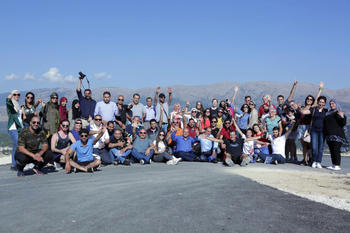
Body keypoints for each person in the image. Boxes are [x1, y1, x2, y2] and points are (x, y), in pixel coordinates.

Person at [297, 82, 324, 166]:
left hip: (308, 127)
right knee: (304, 145)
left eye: (311, 99)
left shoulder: (313, 108)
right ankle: (304, 160)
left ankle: (312, 159)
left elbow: (317, 98)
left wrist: (320, 89)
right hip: (301, 127)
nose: (309, 100)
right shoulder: (303, 108)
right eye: (308, 99)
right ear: (306, 100)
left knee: (311, 145)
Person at [301, 96, 328, 168]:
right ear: (317, 102)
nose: (321, 103)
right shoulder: (313, 109)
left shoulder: (326, 111)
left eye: (323, 102)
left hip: (322, 131)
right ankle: (314, 161)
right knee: (314, 147)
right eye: (320, 102)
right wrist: (298, 108)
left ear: (325, 103)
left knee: (321, 147)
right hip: (314, 131)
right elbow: (304, 112)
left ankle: (318, 162)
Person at [324, 99, 349, 171]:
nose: (332, 105)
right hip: (329, 135)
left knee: (336, 150)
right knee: (331, 150)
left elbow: (343, 123)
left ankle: (337, 165)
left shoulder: (338, 112)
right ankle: (333, 164)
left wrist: (342, 116)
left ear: (336, 104)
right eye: (330, 104)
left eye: (333, 103)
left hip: (337, 135)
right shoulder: (328, 113)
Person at [6, 90, 24, 170]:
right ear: (12, 95)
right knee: (17, 144)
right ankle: (14, 164)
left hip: (20, 128)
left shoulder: (18, 105)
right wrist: (8, 99)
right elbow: (8, 104)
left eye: (18, 94)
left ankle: (17, 163)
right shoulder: (11, 104)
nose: (17, 95)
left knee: (17, 145)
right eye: (15, 94)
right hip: (13, 128)